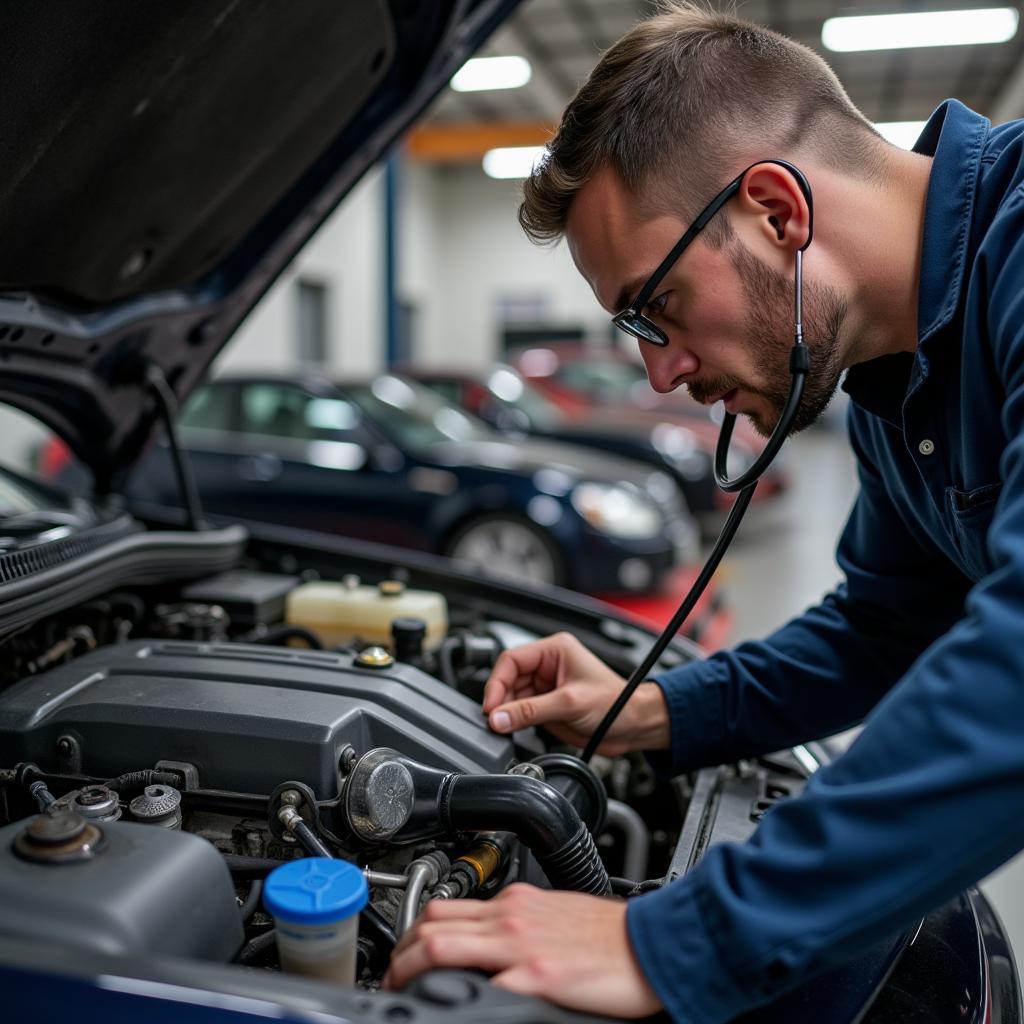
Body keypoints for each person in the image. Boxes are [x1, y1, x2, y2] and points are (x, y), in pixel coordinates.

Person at [383, 2, 1024, 1020]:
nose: (661, 370)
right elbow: (884, 626)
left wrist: (679, 940)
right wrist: (653, 711)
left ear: (777, 210)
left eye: (658, 308)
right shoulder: (890, 386)